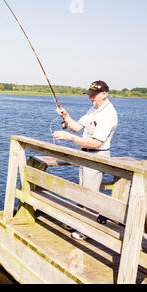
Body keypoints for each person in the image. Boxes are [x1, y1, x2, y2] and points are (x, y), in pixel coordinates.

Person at [53, 80, 118, 240]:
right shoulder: (94, 109)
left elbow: (96, 143)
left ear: (104, 94)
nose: (91, 98)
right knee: (83, 189)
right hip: (85, 155)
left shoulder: (108, 114)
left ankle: (86, 230)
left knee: (90, 193)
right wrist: (66, 116)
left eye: (94, 95)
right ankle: (79, 222)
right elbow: (76, 127)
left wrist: (70, 138)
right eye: (90, 95)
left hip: (97, 156)